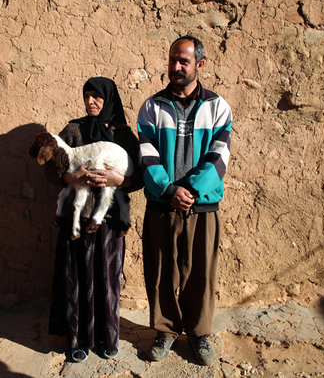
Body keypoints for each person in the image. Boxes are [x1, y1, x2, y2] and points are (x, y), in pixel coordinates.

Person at [136, 36, 233, 365]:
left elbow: (219, 157)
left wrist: (189, 190)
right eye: (173, 59)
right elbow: (146, 155)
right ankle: (165, 332)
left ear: (199, 65)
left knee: (201, 273)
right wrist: (168, 190)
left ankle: (200, 333)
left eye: (184, 61)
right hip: (162, 205)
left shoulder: (218, 107)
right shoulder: (152, 107)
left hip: (201, 206)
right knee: (162, 272)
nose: (176, 67)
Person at [47, 77, 142, 362]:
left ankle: (107, 338)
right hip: (76, 217)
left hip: (110, 219)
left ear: (109, 99)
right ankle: (77, 339)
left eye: (97, 96)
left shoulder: (124, 135)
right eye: (87, 96)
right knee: (76, 277)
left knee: (106, 278)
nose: (91, 101)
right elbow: (53, 166)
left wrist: (120, 179)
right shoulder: (73, 130)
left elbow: (139, 176)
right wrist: (70, 176)